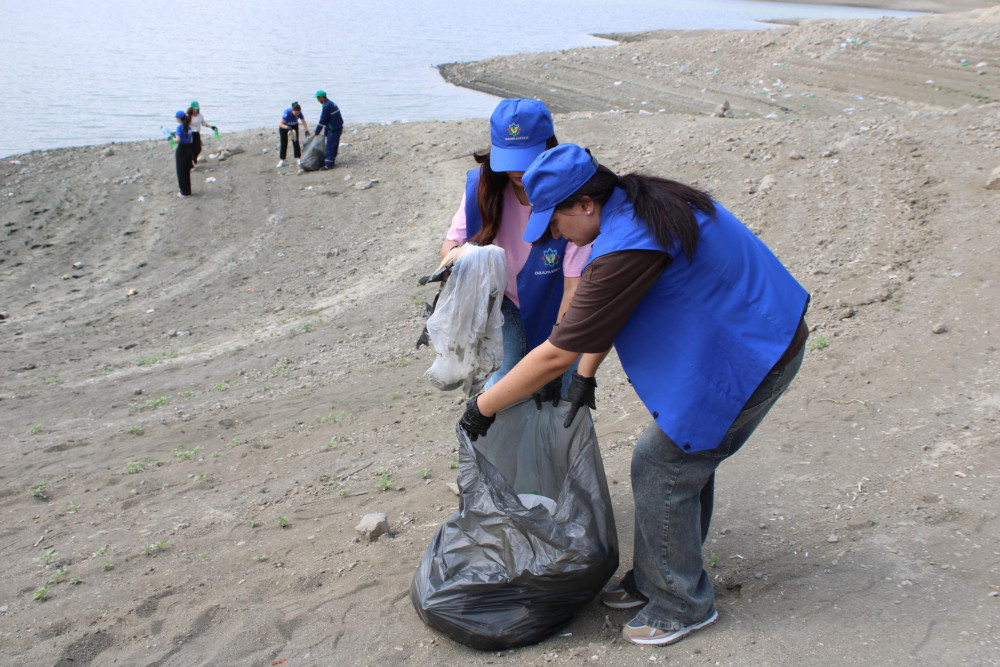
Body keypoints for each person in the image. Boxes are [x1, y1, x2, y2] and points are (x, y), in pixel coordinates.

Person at [459, 143, 810, 647]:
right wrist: (587, 376)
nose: (556, 236)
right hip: (740, 335)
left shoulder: (629, 242)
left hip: (756, 351)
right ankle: (655, 578)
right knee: (683, 455)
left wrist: (482, 407)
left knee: (663, 464)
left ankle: (682, 604)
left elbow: (558, 351)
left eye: (556, 223)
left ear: (584, 204)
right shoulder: (637, 201)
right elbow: (597, 326)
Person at [439, 98, 590, 395]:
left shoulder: (571, 194)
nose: (518, 171)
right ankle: (491, 426)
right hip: (504, 302)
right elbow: (450, 246)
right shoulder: (483, 188)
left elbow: (574, 290)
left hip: (557, 302)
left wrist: (555, 353)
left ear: (549, 146)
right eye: (510, 159)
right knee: (507, 379)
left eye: (528, 157)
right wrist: (462, 257)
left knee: (562, 389)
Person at [314, 90, 343, 170]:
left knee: (330, 146)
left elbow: (322, 120)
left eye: (318, 98)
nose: (317, 100)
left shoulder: (326, 106)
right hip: (337, 126)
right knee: (334, 144)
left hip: (333, 128)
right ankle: (332, 160)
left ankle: (328, 164)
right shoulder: (330, 103)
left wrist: (317, 131)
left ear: (322, 97)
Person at [277, 102, 310, 168]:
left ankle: (298, 159)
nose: (297, 114)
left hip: (294, 126)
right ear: (292, 111)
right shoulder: (287, 113)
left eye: (298, 113)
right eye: (295, 113)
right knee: (284, 143)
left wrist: (306, 130)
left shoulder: (299, 113)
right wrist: (287, 127)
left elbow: (303, 122)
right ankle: (282, 160)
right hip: (284, 126)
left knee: (295, 142)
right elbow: (280, 124)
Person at [172, 110, 194, 197]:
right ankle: (188, 190)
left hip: (182, 149)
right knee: (187, 170)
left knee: (181, 171)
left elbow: (177, 140)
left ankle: (183, 192)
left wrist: (172, 139)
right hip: (189, 149)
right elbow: (191, 140)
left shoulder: (179, 127)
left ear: (178, 118)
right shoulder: (189, 127)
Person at [187, 101, 214, 168]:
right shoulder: (188, 116)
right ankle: (190, 162)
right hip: (190, 134)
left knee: (198, 148)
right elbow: (184, 125)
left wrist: (211, 127)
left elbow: (203, 123)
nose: (196, 110)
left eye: (197, 108)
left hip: (197, 133)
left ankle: (194, 158)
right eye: (194, 108)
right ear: (191, 108)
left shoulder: (200, 116)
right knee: (190, 148)